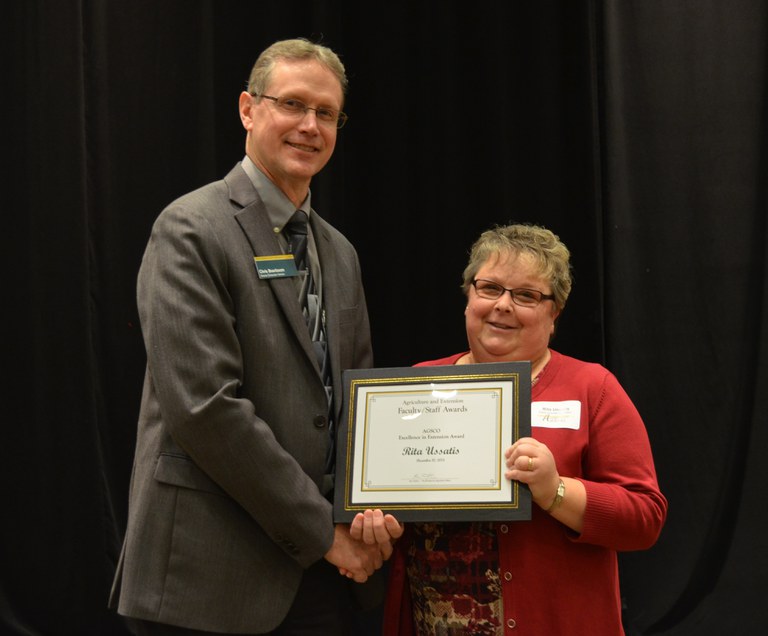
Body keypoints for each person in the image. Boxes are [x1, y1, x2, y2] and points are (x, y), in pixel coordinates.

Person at [110, 38, 392, 635]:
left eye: (326, 113)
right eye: (292, 104)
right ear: (247, 108)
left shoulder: (339, 253)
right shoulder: (190, 229)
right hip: (210, 578)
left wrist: (367, 509)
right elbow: (206, 408)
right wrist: (324, 531)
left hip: (321, 580)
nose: (309, 126)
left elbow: (357, 403)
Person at [352, 223, 668, 635]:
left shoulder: (593, 388)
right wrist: (377, 528)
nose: (503, 305)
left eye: (526, 296)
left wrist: (556, 490)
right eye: (490, 288)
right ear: (468, 296)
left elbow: (645, 518)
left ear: (554, 315)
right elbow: (389, 505)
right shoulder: (416, 385)